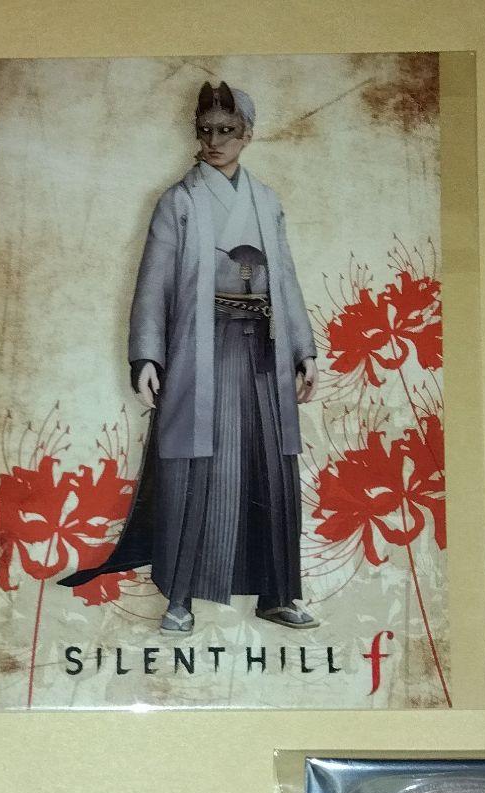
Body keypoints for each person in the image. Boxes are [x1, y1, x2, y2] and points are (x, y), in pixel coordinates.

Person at [60, 81, 319, 633]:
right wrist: (147, 358)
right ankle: (179, 599)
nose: (214, 141)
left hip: (263, 352)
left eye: (227, 130)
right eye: (206, 130)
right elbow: (153, 284)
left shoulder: (266, 200)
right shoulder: (179, 202)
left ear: (248, 134)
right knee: (194, 468)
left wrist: (303, 350)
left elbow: (286, 279)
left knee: (270, 469)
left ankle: (276, 594)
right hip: (202, 349)